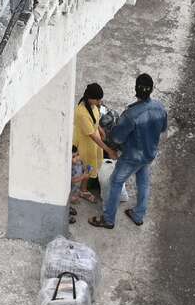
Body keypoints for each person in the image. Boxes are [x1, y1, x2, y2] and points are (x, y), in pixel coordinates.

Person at [87, 73, 167, 229]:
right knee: (143, 182)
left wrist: (107, 137)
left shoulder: (131, 115)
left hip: (132, 157)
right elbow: (162, 129)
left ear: (135, 89)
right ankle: (138, 215)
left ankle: (108, 219)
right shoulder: (160, 108)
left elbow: (116, 138)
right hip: (149, 154)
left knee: (115, 182)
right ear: (151, 90)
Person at [71, 83, 111, 215]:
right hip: (86, 144)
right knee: (86, 168)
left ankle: (83, 189)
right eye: (98, 99)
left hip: (92, 143)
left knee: (89, 167)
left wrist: (100, 129)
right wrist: (108, 149)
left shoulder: (92, 105)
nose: (100, 102)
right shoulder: (81, 113)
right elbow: (92, 136)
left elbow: (95, 119)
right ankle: (81, 191)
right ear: (90, 98)